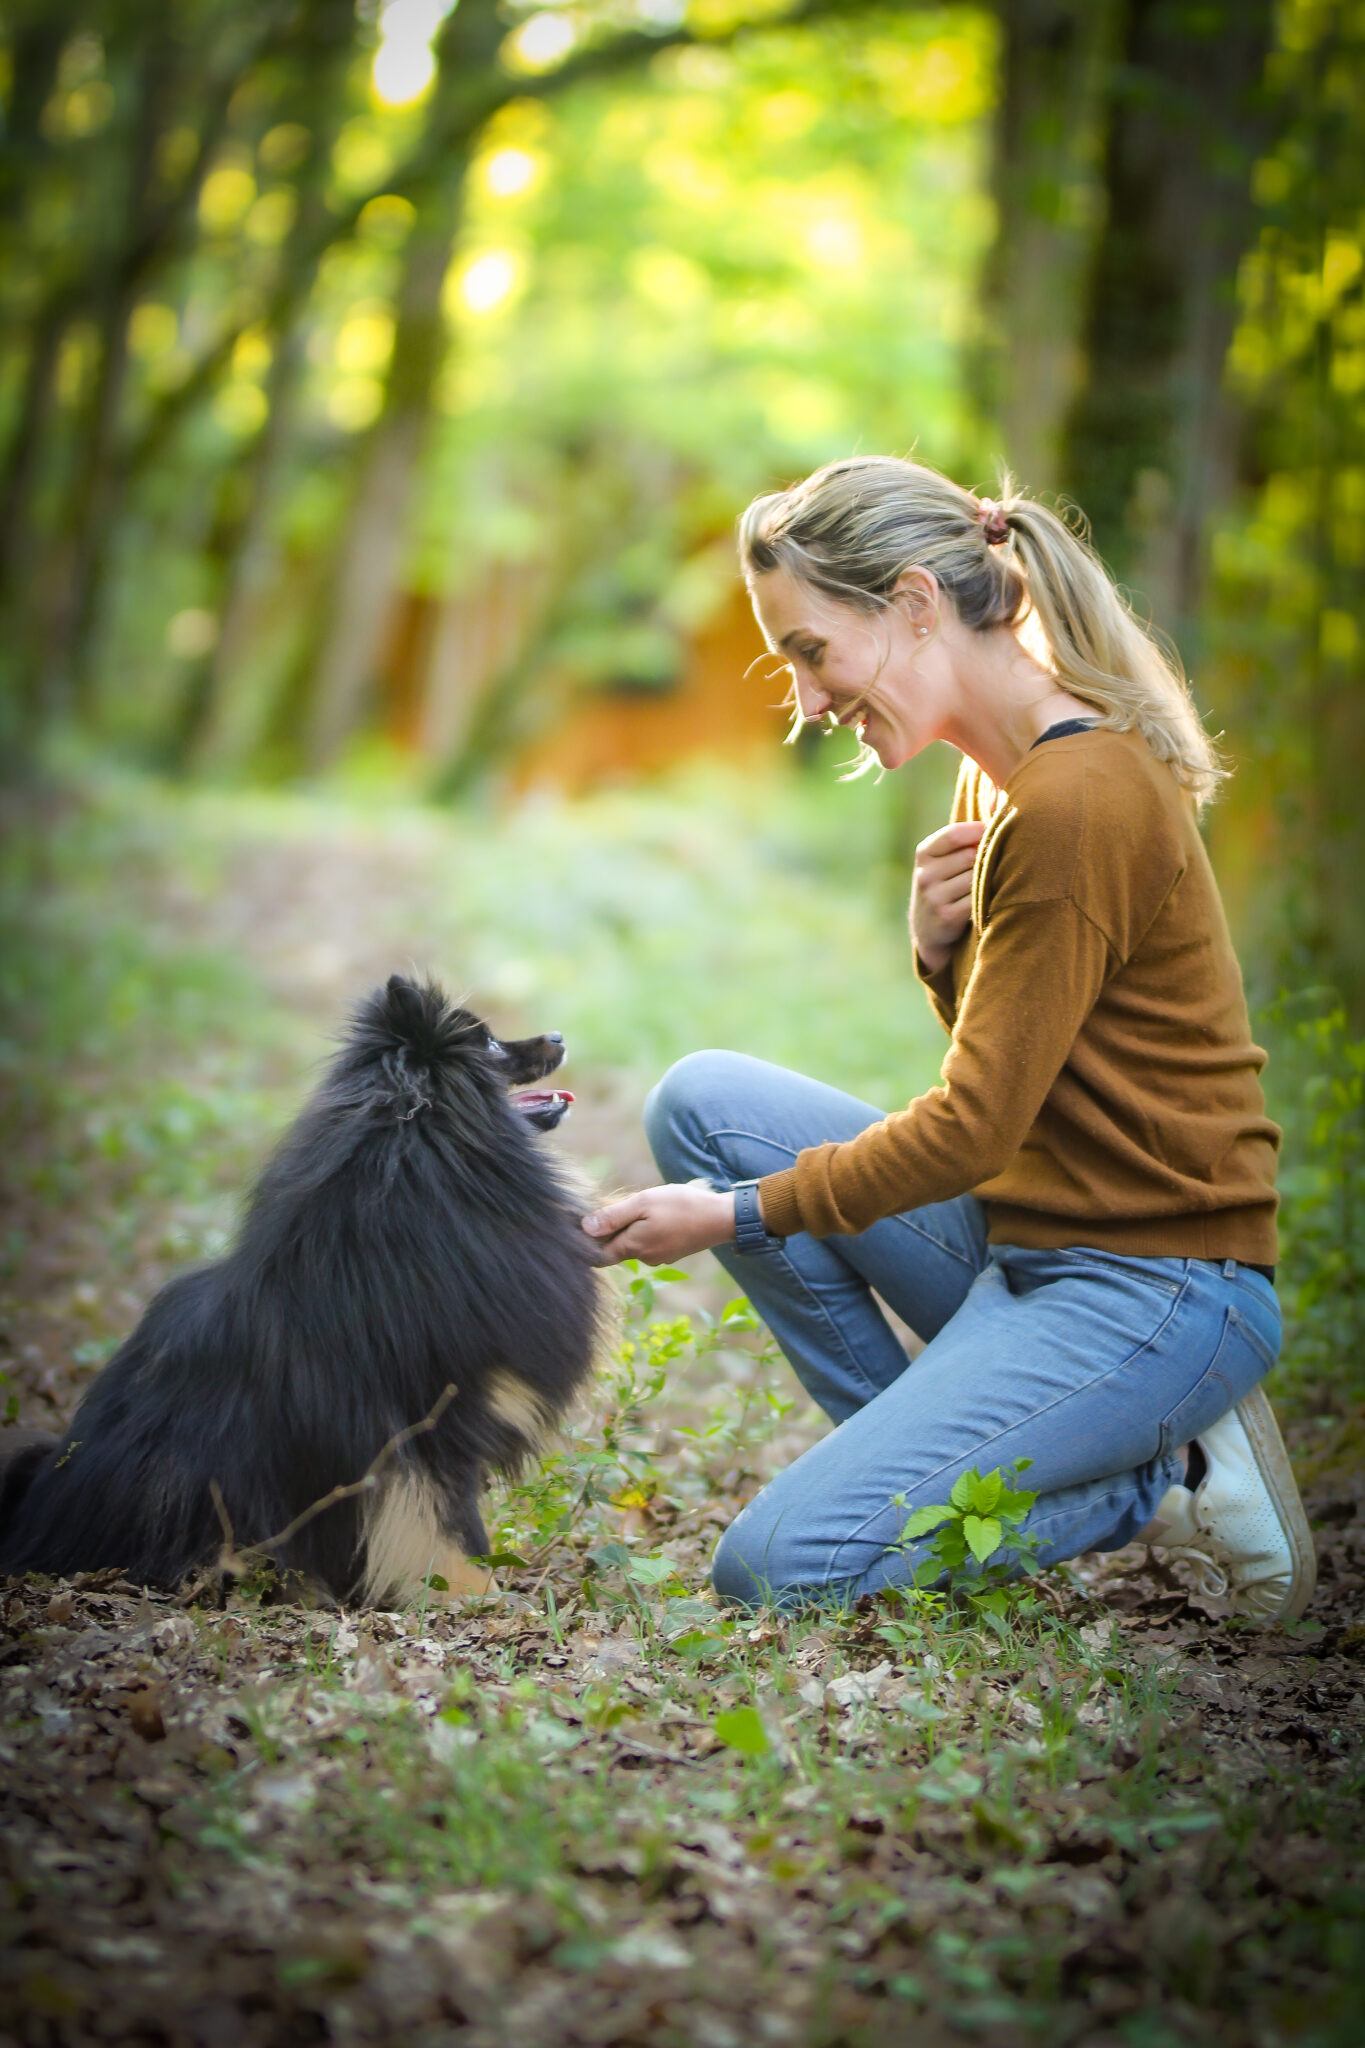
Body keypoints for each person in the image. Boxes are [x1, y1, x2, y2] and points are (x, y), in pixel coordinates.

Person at [581, 456, 1315, 1625]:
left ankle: (1154, 1478)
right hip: (1031, 1233)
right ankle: (923, 1481)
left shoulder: (1078, 799)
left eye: (812, 651)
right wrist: (944, 960)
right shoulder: (996, 787)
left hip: (1161, 1281)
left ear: (915, 605)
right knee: (702, 1102)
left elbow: (974, 1124)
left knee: (775, 1566)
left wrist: (729, 1215)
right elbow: (1032, 1080)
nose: (810, 701)